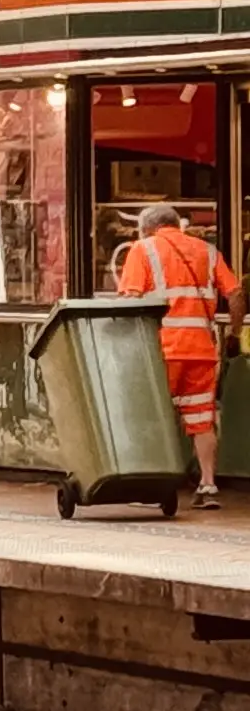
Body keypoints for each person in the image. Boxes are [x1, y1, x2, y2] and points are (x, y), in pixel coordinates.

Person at [117, 200, 244, 509]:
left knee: (152, 417)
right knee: (202, 420)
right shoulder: (208, 251)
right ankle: (208, 484)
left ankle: (152, 486)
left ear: (146, 228)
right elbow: (237, 294)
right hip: (201, 350)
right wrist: (235, 334)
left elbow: (130, 301)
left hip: (161, 350)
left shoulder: (142, 250)